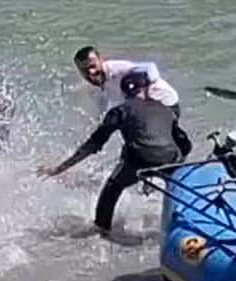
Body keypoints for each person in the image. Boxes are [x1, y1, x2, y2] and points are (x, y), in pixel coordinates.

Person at [37, 70, 184, 236]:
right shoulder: (165, 109)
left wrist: (59, 168)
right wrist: (179, 165)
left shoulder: (119, 111)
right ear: (146, 90)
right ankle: (183, 222)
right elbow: (184, 143)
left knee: (112, 189)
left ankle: (102, 230)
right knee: (177, 186)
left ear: (123, 93)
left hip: (139, 161)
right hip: (171, 159)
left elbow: (93, 144)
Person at [72, 45, 192, 158]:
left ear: (101, 60)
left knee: (157, 141)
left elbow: (150, 67)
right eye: (85, 70)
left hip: (165, 102)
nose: (91, 72)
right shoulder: (99, 87)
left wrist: (146, 91)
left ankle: (180, 155)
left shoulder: (116, 69)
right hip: (146, 112)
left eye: (93, 66)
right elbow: (103, 111)